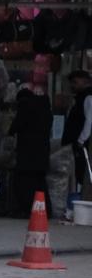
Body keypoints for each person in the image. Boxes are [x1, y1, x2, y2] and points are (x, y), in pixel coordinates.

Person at [10, 85, 53, 217]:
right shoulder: (46, 109)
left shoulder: (25, 106)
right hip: (42, 152)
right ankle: (45, 210)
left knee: (23, 183)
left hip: (27, 153)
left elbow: (15, 127)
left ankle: (27, 209)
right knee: (40, 183)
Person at [62, 69, 92, 217]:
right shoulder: (80, 98)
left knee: (83, 174)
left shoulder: (88, 97)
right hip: (79, 144)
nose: (73, 86)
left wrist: (81, 140)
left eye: (75, 82)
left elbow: (90, 121)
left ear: (85, 81)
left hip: (83, 145)